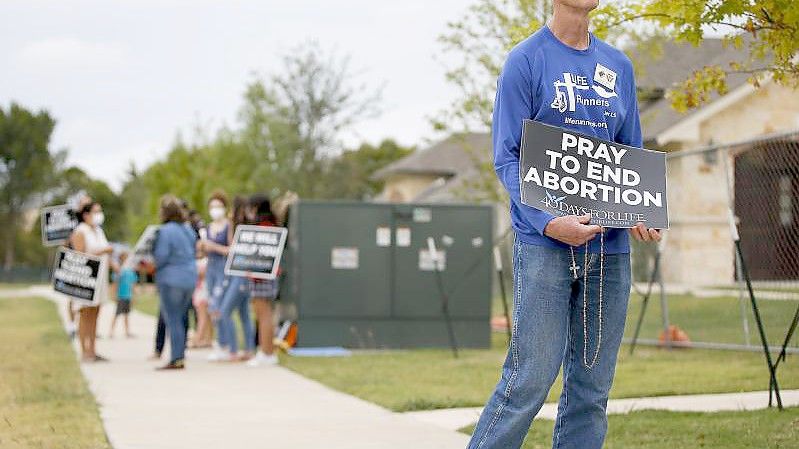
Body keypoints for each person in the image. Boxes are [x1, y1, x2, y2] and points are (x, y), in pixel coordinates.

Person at [466, 2, 661, 449]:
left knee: (591, 392)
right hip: (544, 246)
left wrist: (643, 211)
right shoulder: (526, 60)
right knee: (528, 381)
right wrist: (548, 221)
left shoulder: (618, 65)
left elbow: (631, 154)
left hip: (608, 251)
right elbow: (507, 157)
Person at [152, 195, 198, 370]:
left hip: (171, 279)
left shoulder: (166, 231)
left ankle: (176, 358)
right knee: (182, 317)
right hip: (189, 278)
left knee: (173, 319)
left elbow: (162, 256)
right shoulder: (187, 229)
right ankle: (181, 354)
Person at [70, 201, 113, 362]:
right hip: (86, 279)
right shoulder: (80, 231)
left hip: (101, 279)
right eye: (96, 211)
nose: (99, 214)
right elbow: (80, 254)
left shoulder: (98, 231)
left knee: (95, 313)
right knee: (85, 313)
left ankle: (93, 350)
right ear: (86, 214)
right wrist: (103, 250)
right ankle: (84, 350)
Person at [214, 196, 256, 362]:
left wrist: (231, 224)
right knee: (244, 313)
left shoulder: (240, 225)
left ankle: (233, 349)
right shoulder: (249, 225)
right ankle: (249, 349)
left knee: (224, 312)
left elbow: (231, 246)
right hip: (240, 273)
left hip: (240, 273)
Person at [245, 194, 280, 367]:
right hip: (264, 276)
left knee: (264, 314)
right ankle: (265, 350)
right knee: (263, 314)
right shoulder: (271, 224)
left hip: (262, 277)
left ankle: (267, 352)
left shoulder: (264, 226)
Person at [199, 191, 234, 361]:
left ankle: (226, 344)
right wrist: (202, 247)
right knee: (211, 306)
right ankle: (220, 343)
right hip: (210, 268)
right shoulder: (207, 228)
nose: (215, 210)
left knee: (219, 306)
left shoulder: (229, 226)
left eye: (218, 206)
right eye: (212, 207)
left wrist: (213, 246)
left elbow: (231, 249)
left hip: (223, 267)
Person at [109, 251, 138, 338]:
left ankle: (127, 332)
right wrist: (114, 294)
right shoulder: (119, 271)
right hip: (121, 296)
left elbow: (132, 285)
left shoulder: (131, 271)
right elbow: (115, 283)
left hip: (128, 296)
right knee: (116, 314)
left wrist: (134, 296)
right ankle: (111, 332)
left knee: (126, 314)